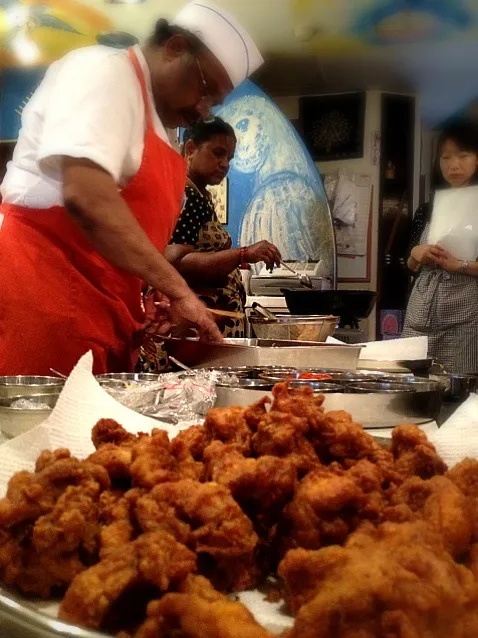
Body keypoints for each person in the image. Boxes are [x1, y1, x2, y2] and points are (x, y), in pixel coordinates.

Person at [0, 0, 264, 376]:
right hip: (47, 303)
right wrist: (177, 290)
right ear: (175, 48)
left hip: (108, 320)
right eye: (206, 90)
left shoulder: (161, 127)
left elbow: (128, 240)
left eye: (215, 102)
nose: (204, 110)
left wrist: (145, 295)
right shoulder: (103, 73)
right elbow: (87, 197)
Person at [139, 117, 282, 372]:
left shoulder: (199, 194)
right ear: (191, 149)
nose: (225, 164)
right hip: (193, 330)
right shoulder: (188, 195)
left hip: (204, 328)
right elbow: (176, 261)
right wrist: (244, 254)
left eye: (230, 157)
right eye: (218, 153)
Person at [402, 121, 478, 373]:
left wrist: (460, 265)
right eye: (445, 157)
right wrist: (416, 253)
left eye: (463, 155)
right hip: (420, 313)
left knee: (459, 390)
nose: (453, 165)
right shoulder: (427, 207)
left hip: (465, 317)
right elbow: (410, 265)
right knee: (414, 383)